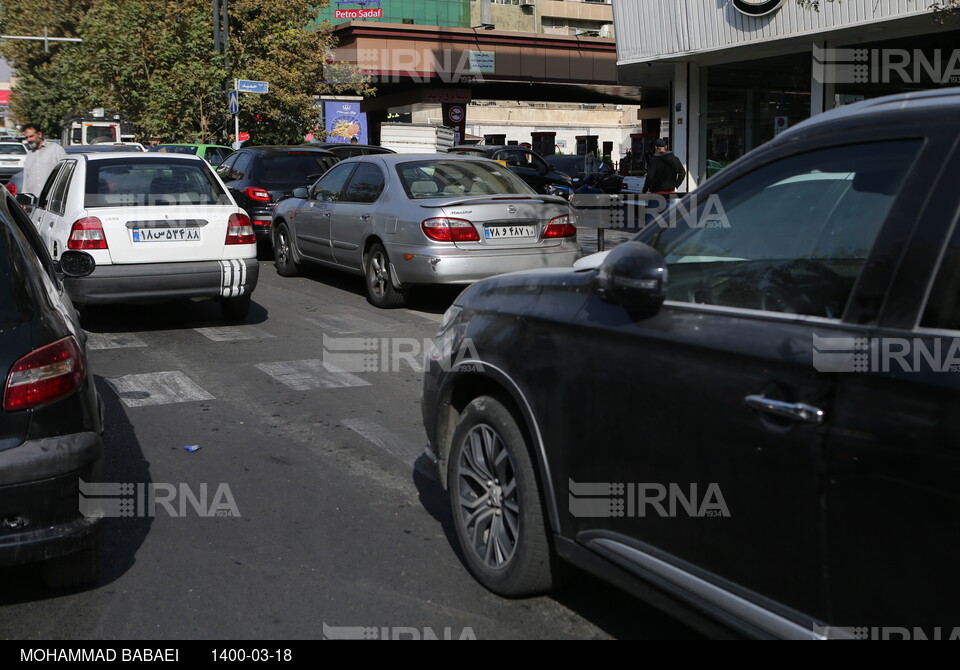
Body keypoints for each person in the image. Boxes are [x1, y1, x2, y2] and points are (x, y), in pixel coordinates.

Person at [22, 124, 67, 197]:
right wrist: (24, 197)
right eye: (26, 137)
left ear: (39, 134)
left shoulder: (55, 149)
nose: (28, 140)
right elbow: (26, 179)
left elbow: (66, 173)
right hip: (34, 202)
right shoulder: (29, 155)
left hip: (52, 200)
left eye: (31, 136)